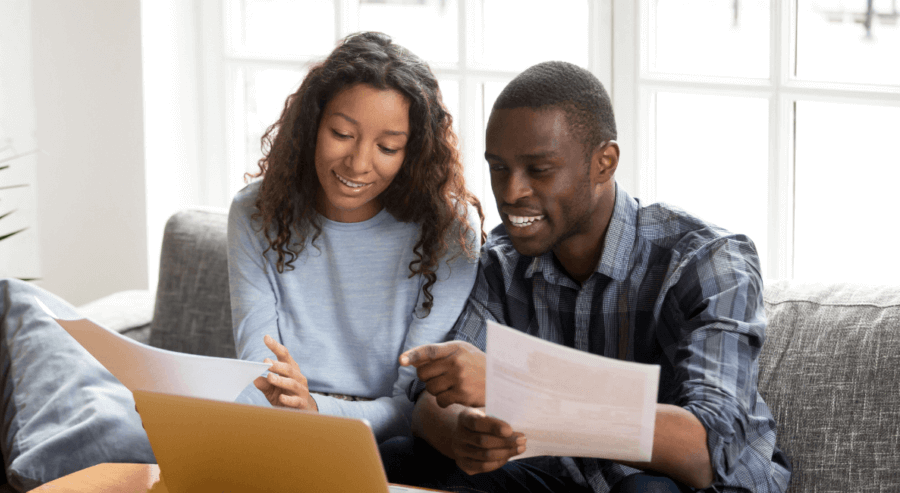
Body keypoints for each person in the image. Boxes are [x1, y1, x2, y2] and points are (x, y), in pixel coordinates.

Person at [380, 61, 792, 492]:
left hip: (685, 483)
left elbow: (705, 450)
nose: (510, 192)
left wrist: (518, 389)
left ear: (604, 163)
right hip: (567, 480)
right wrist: (462, 431)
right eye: (499, 167)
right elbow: (430, 404)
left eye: (538, 170)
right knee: (401, 456)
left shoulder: (708, 261)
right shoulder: (503, 261)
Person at [227, 32, 483, 443]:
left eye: (387, 146)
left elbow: (411, 407)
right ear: (312, 126)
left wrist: (314, 409)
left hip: (382, 441)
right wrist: (289, 406)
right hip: (275, 427)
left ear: (412, 151)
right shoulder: (256, 212)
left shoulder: (449, 229)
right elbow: (257, 374)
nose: (359, 163)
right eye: (342, 135)